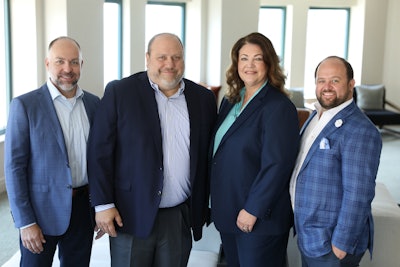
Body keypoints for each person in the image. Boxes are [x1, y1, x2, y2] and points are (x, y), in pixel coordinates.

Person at [87, 32, 217, 267]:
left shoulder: (203, 99)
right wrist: (103, 204)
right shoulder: (121, 92)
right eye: (162, 57)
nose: (170, 64)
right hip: (130, 212)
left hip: (179, 215)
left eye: (176, 57)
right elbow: (99, 152)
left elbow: (208, 156)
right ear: (147, 58)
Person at [4, 36, 100, 267]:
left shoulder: (95, 104)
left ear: (81, 65)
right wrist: (25, 222)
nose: (68, 69)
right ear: (47, 64)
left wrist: (100, 205)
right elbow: (14, 167)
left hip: (82, 211)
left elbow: (101, 161)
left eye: (74, 62)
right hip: (40, 213)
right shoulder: (25, 105)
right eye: (60, 61)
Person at [209, 32, 300, 267]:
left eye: (257, 59)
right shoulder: (230, 101)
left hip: (258, 217)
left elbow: (277, 165)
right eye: (244, 58)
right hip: (229, 210)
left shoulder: (278, 107)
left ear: (269, 64)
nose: (249, 65)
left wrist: (253, 209)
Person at [289, 56, 382, 267]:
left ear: (351, 84)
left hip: (332, 242)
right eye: (321, 80)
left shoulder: (361, 130)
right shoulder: (315, 116)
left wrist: (342, 243)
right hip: (311, 234)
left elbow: (359, 193)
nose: (326, 87)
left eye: (335, 80)